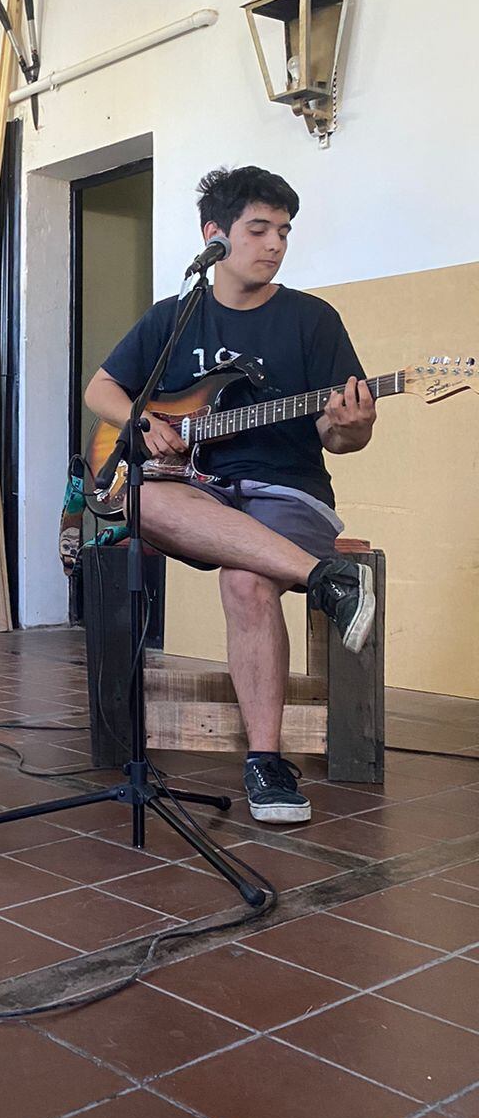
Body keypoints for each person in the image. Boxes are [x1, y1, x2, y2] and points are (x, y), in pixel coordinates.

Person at [85, 165, 378, 825]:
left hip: (287, 490)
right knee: (141, 499)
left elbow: (338, 438)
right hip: (196, 490)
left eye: (284, 232)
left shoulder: (312, 320)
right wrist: (143, 421)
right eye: (259, 229)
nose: (275, 244)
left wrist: (351, 425)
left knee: (246, 581)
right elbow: (101, 389)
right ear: (214, 235)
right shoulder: (175, 317)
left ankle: (266, 762)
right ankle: (327, 581)